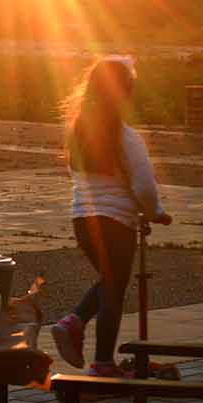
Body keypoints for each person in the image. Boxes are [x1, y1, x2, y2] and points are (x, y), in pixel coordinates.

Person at [51, 57, 172, 377]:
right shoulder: (126, 137)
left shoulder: (77, 132)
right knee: (114, 290)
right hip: (116, 223)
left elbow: (75, 173)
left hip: (82, 220)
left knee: (110, 284)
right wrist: (155, 212)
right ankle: (97, 356)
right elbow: (144, 185)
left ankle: (76, 326)